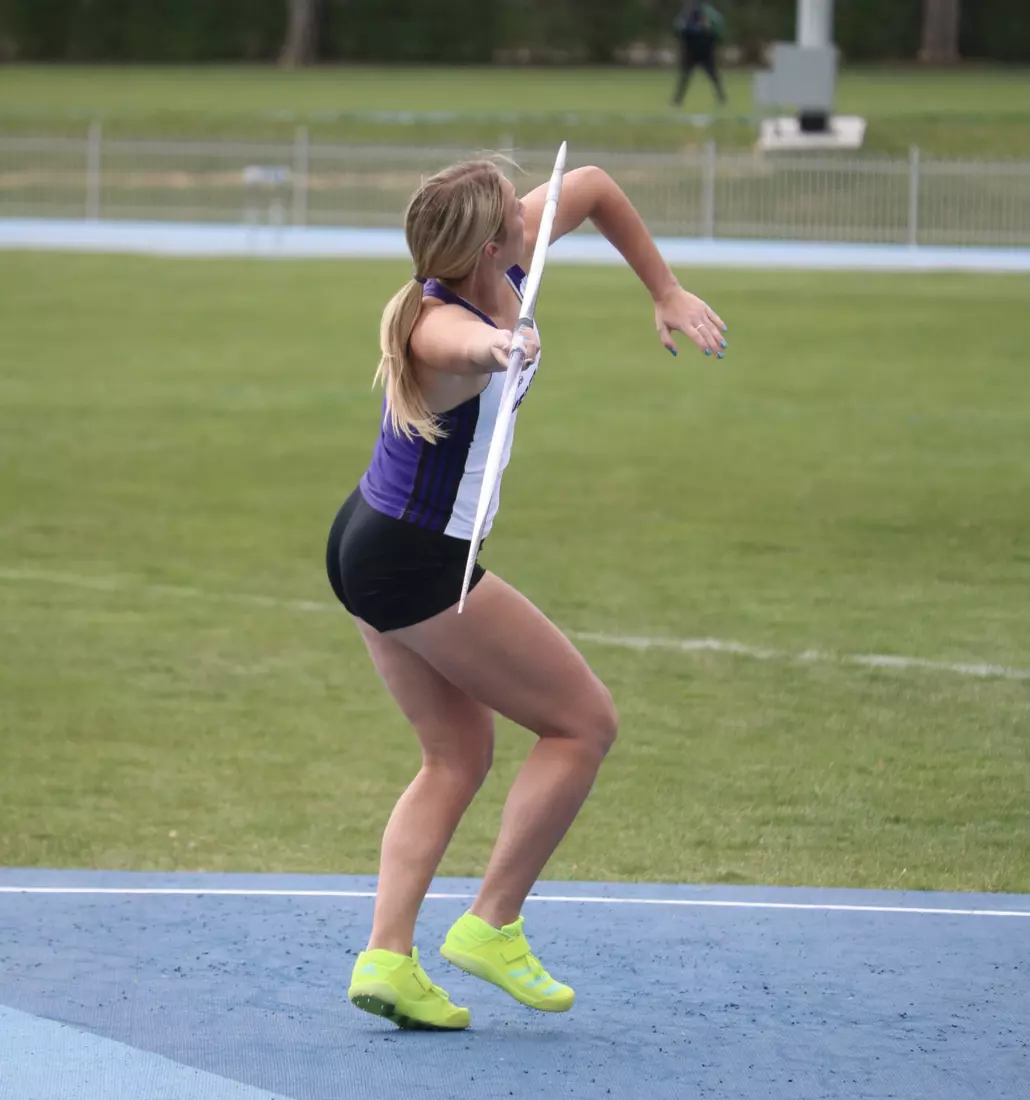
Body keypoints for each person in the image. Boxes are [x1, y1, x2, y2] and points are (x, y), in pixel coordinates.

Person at [326, 155, 727, 1031]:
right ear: (488, 242)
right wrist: (501, 345)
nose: (532, 213)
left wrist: (663, 289)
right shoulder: (440, 320)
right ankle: (491, 924)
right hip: (415, 560)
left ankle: (387, 960)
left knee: (457, 755)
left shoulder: (500, 259)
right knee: (584, 724)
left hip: (369, 540)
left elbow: (591, 185)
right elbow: (456, 347)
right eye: (517, 209)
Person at [672, 1, 728, 107]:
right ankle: (677, 100)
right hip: (691, 50)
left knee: (713, 75)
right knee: (685, 76)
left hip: (705, 50)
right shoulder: (687, 13)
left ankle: (721, 98)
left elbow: (717, 31)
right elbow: (679, 30)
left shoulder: (709, 13)